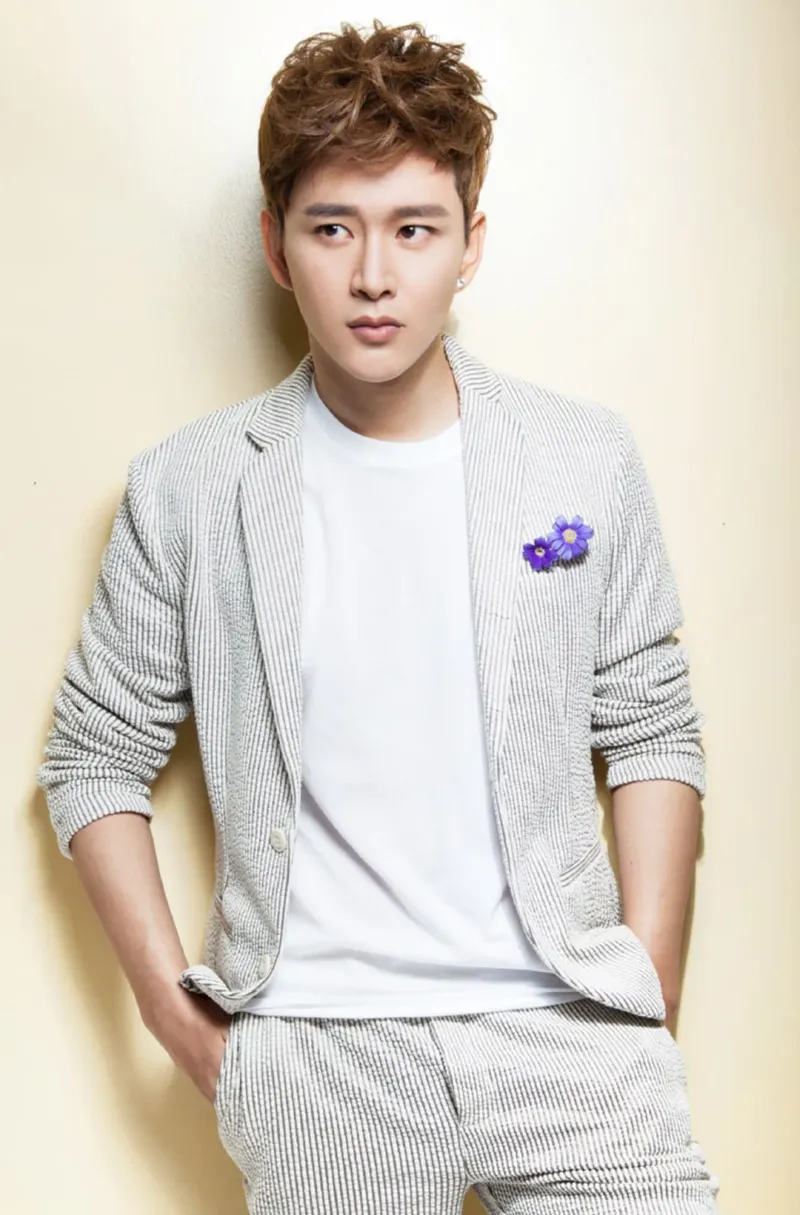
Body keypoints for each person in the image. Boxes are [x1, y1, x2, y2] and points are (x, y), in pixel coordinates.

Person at [36, 18, 721, 1214]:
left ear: (468, 244)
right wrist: (176, 1020)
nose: (370, 277)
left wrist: (647, 993)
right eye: (330, 228)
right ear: (273, 243)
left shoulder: (578, 460)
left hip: (574, 1043)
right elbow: (93, 756)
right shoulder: (191, 487)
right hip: (319, 1059)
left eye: (412, 229)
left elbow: (649, 723)